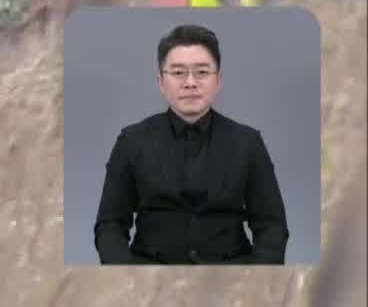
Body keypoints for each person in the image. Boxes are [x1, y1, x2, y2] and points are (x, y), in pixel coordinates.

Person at [93, 23, 289, 265]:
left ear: (219, 80)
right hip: (149, 279)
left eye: (202, 72)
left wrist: (254, 280)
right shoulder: (131, 141)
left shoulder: (248, 143)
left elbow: (272, 226)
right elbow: (109, 225)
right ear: (161, 82)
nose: (190, 83)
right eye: (178, 73)